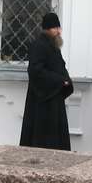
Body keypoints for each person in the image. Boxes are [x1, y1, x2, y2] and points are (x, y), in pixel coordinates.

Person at [19, 12, 73, 150]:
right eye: (55, 28)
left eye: (59, 28)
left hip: (54, 97)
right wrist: (60, 80)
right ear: (48, 29)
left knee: (56, 137)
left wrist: (66, 80)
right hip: (42, 101)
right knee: (42, 138)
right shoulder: (38, 45)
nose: (59, 31)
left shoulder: (53, 46)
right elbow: (36, 71)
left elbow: (60, 67)